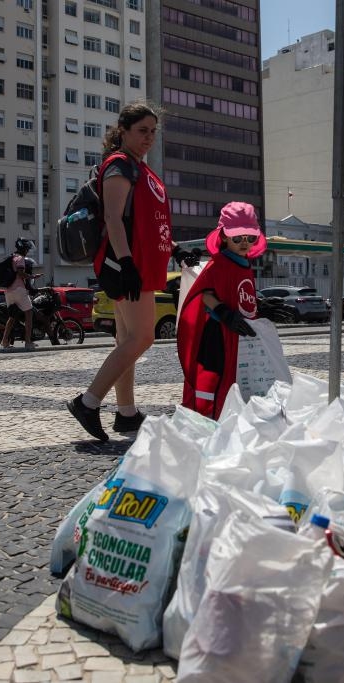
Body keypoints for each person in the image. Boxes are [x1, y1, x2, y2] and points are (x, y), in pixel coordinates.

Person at [66, 101, 195, 441]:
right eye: (142, 131)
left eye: (153, 131)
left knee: (127, 340)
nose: (149, 137)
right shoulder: (119, 166)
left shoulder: (141, 168)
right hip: (124, 265)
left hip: (140, 263)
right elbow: (112, 218)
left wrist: (176, 249)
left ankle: (126, 413)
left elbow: (151, 224)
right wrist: (125, 263)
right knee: (142, 337)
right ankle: (88, 402)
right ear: (122, 130)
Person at [178, 202, 265, 419]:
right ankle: (208, 419)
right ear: (224, 236)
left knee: (237, 378)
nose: (244, 243)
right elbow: (204, 294)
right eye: (237, 237)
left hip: (238, 335)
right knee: (214, 381)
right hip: (217, 334)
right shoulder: (219, 264)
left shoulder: (245, 264)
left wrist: (261, 307)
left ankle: (232, 419)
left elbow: (242, 294)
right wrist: (224, 312)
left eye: (250, 237)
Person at [0, 238, 40, 352]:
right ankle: (28, 342)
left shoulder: (11, 257)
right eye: (27, 249)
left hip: (8, 291)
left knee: (12, 317)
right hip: (18, 289)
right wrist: (32, 277)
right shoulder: (20, 259)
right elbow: (20, 273)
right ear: (24, 249)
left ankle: (4, 341)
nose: (27, 251)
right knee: (29, 314)